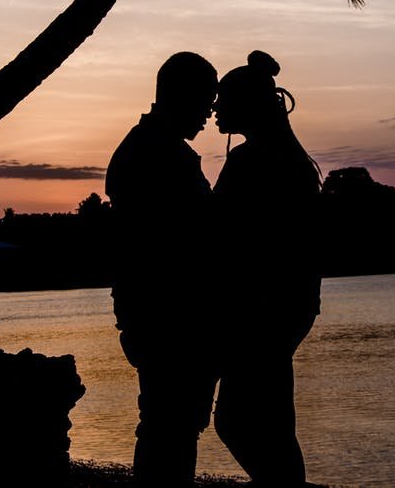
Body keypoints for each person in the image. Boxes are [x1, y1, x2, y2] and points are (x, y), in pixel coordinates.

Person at [104, 51, 219, 486]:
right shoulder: (160, 155)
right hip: (169, 316)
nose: (210, 114)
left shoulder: (147, 148)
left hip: (151, 313)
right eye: (205, 101)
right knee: (170, 426)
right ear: (181, 96)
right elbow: (186, 241)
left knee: (168, 424)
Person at [211, 50, 322, 486]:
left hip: (262, 307)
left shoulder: (251, 161)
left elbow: (223, 234)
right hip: (290, 304)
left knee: (237, 422)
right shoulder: (287, 158)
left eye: (223, 99)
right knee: (272, 419)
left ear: (246, 105)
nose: (215, 108)